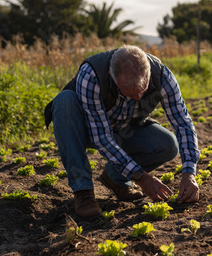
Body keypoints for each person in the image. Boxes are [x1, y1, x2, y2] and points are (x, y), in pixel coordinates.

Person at [44, 45, 200, 218]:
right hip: (88, 129)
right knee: (64, 101)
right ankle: (83, 191)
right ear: (113, 76)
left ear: (147, 72)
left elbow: (182, 123)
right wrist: (142, 178)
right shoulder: (92, 74)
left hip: (126, 129)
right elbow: (102, 138)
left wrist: (189, 172)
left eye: (142, 90)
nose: (138, 98)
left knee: (168, 145)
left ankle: (115, 178)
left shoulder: (162, 76)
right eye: (131, 93)